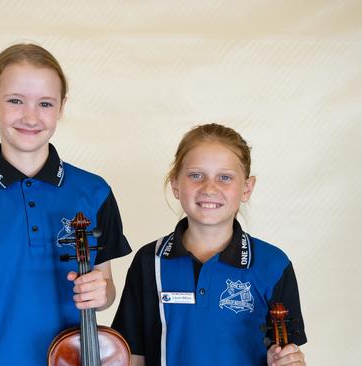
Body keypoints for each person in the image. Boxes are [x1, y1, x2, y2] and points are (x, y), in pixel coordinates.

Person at [0, 43, 131, 365]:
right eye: (16, 100)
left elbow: (106, 291)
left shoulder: (93, 191)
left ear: (61, 106)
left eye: (45, 103)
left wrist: (103, 293)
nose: (30, 116)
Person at [112, 123, 307, 366]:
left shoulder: (273, 264)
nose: (209, 188)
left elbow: (288, 352)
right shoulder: (149, 260)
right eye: (196, 175)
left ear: (247, 188)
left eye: (225, 177)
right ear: (175, 185)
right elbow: (133, 354)